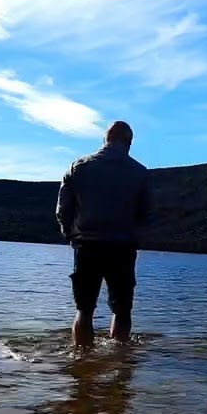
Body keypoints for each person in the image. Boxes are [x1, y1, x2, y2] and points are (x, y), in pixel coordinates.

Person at [56, 121, 151, 348]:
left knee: (84, 309)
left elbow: (63, 210)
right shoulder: (140, 173)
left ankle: (81, 366)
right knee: (122, 310)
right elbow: (145, 213)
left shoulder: (78, 167)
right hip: (123, 247)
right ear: (129, 143)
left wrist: (69, 233)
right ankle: (120, 368)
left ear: (105, 140)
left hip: (87, 246)